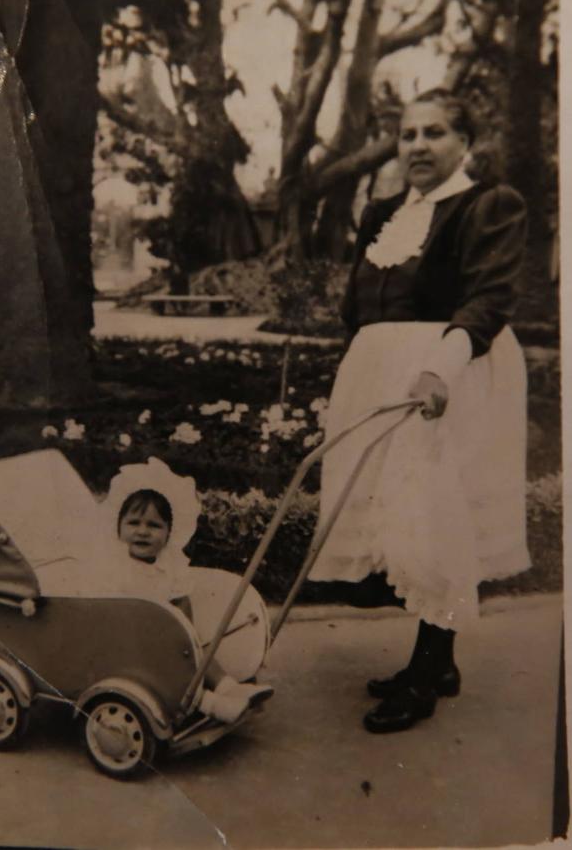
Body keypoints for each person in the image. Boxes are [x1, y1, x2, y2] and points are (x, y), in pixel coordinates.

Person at [308, 88, 531, 734]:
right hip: (383, 374)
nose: (418, 147)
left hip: (447, 370)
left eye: (434, 134)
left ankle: (427, 671)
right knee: (396, 513)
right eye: (407, 135)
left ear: (465, 143)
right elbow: (361, 304)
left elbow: (488, 298)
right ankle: (440, 660)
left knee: (433, 514)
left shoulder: (487, 205)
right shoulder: (381, 211)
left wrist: (437, 368)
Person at [111, 462, 273, 725]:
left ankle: (229, 688)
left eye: (154, 525)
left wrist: (186, 632)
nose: (142, 531)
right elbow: (112, 605)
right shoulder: (117, 564)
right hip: (130, 642)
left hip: (167, 633)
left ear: (168, 533)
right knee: (170, 670)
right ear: (118, 527)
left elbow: (181, 599)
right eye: (133, 523)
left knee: (199, 653)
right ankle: (211, 704)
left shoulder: (171, 563)